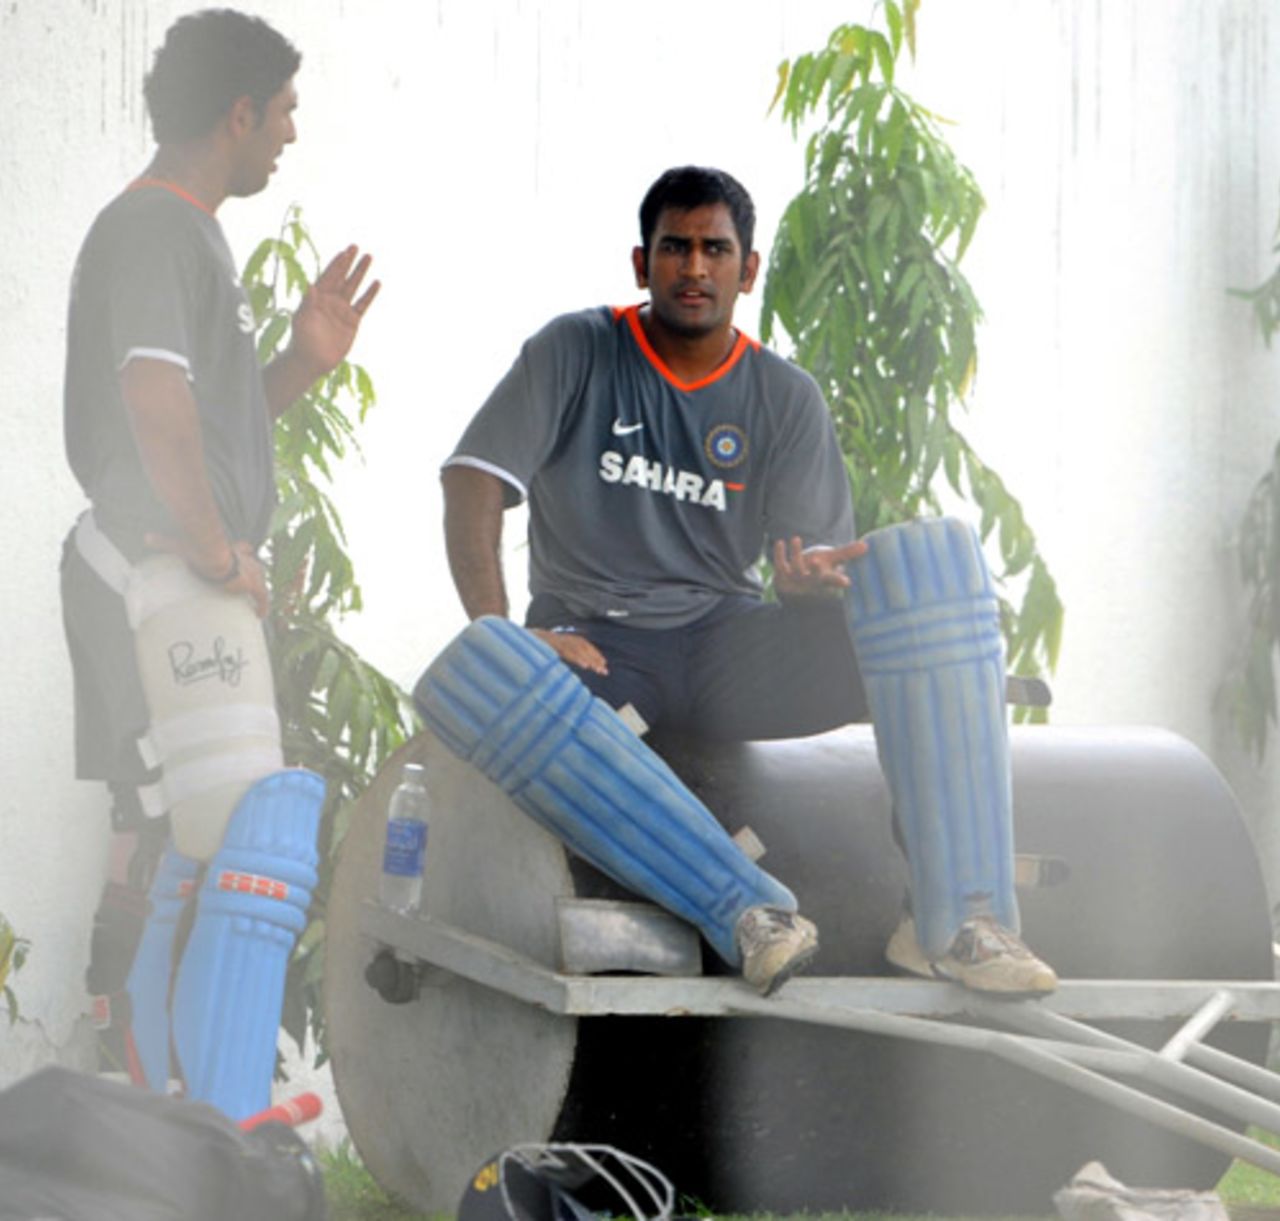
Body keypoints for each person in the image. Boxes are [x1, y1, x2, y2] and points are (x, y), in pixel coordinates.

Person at [417, 165, 1055, 997]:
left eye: (715, 249)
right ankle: (752, 912)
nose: (693, 268)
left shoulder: (784, 395)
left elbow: (809, 567)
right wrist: (504, 627)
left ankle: (958, 920)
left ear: (746, 270)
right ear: (642, 264)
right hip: (595, 640)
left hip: (726, 642)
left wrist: (811, 588)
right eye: (674, 248)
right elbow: (473, 478)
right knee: (482, 667)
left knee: (934, 562)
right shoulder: (576, 349)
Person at [60, 9, 378, 1119]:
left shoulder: (191, 233)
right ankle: (159, 1131)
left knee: (213, 842)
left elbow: (206, 424)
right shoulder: (155, 227)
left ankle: (195, 1126)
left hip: (189, 580)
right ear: (238, 112)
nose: (291, 134)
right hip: (152, 580)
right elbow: (152, 407)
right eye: (284, 111)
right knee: (178, 844)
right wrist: (212, 550)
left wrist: (296, 363)